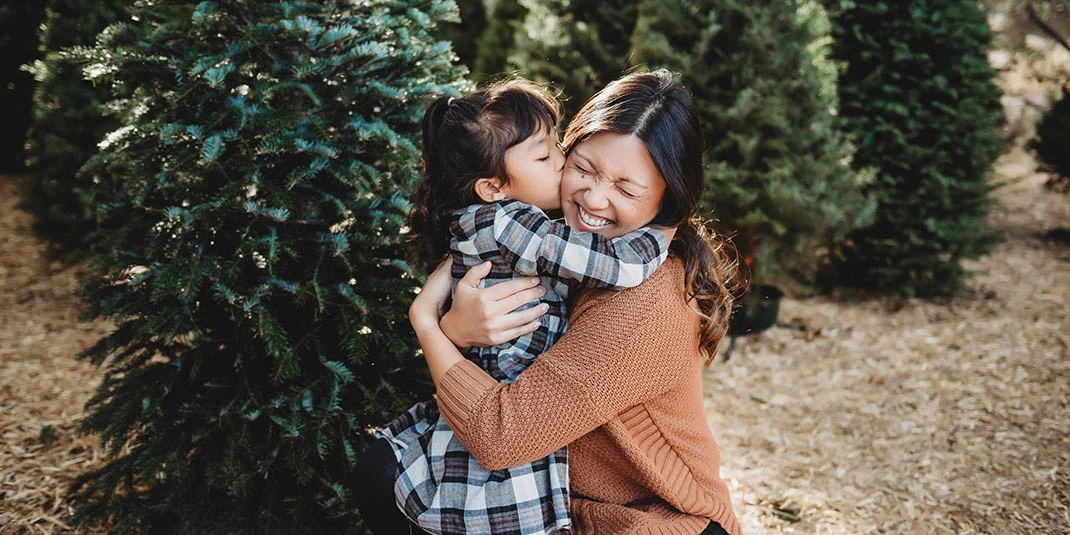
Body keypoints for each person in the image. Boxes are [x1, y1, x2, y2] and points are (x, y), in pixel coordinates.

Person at [364, 78, 674, 535]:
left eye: (558, 146)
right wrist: (662, 233)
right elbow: (615, 267)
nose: (562, 163)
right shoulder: (510, 224)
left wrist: (433, 323)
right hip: (504, 405)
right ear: (492, 186)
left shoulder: (504, 217)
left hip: (511, 406)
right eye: (547, 156)